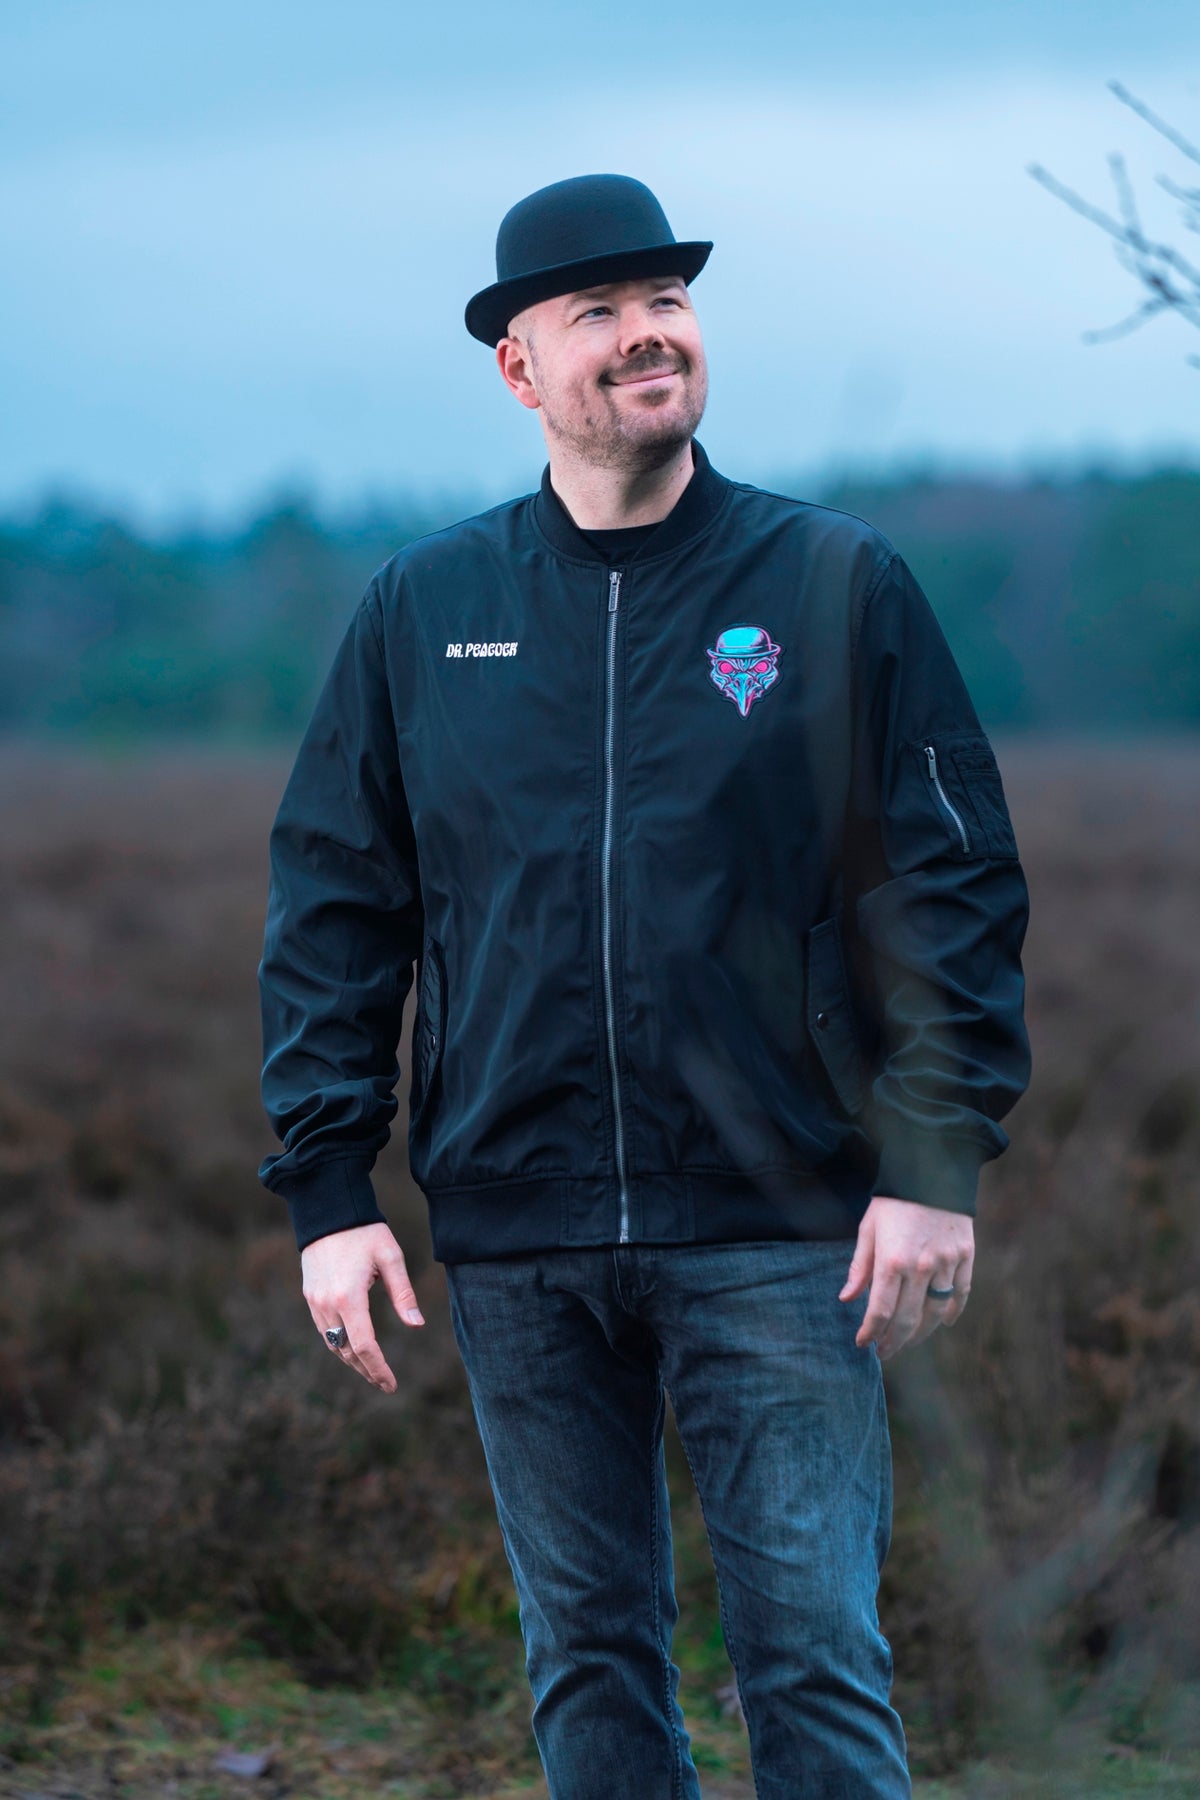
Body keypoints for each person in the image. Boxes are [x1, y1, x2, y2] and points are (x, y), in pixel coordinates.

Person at [257, 172, 1031, 1799]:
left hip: (782, 1223)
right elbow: (338, 905)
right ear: (519, 367)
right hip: (520, 1225)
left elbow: (949, 885)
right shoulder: (428, 609)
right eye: (597, 311)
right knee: (588, 1661)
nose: (646, 334)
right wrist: (330, 1189)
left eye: (667, 300)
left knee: (814, 1660)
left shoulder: (833, 582)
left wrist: (933, 1163)